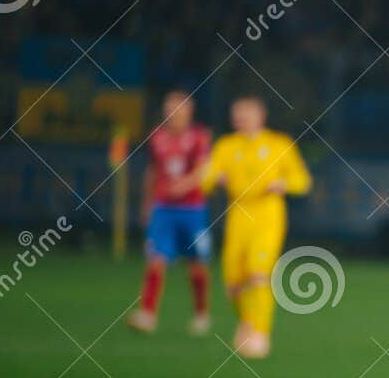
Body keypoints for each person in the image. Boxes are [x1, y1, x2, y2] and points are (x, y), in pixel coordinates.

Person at [198, 96, 312, 358]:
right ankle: (248, 322)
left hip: (267, 215)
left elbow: (302, 180)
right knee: (233, 282)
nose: (240, 120)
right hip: (238, 215)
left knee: (258, 274)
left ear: (260, 116)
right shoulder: (227, 146)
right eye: (236, 115)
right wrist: (214, 178)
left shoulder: (278, 144)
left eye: (245, 115)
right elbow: (206, 178)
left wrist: (284, 184)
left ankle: (261, 334)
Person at [126, 90, 212, 336]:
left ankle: (201, 313)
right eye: (170, 109)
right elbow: (152, 171)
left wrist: (184, 185)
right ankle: (148, 314)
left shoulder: (199, 137)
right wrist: (147, 203)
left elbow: (203, 170)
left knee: (197, 265)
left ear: (189, 111)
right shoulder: (156, 137)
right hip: (163, 209)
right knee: (156, 259)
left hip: (192, 210)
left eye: (179, 109)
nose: (173, 114)